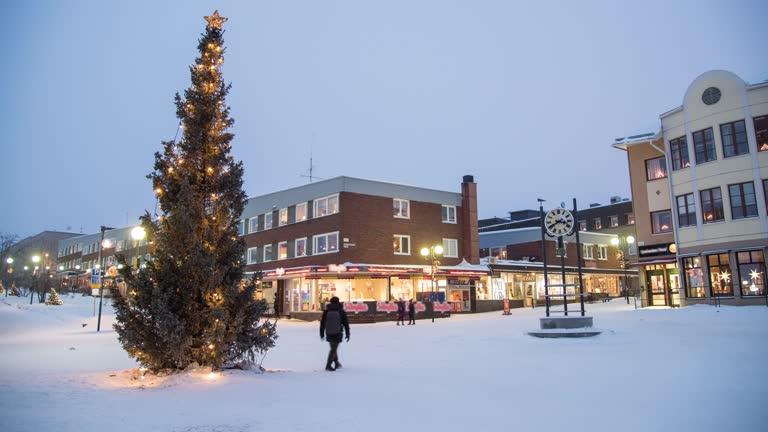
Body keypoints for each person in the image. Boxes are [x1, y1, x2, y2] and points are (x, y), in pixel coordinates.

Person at [319, 296, 350, 371]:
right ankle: (328, 365)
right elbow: (345, 323)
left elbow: (322, 323)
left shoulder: (326, 311)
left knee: (333, 348)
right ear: (338, 302)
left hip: (329, 332)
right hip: (338, 332)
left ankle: (336, 363)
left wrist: (322, 333)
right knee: (333, 349)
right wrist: (347, 333)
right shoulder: (341, 311)